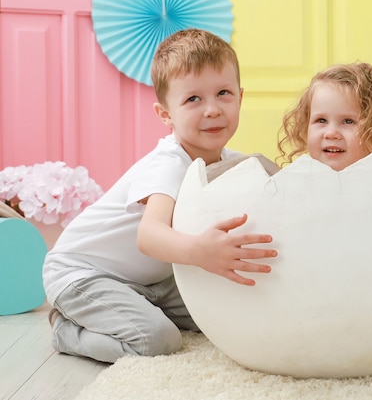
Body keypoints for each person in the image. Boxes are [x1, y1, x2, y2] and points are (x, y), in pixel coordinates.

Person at [42, 28, 277, 364]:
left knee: (222, 316)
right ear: (165, 114)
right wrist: (200, 251)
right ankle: (67, 331)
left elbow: (262, 179)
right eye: (193, 99)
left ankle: (137, 307)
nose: (212, 109)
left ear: (240, 97)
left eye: (223, 93)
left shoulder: (229, 161)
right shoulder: (168, 164)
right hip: (83, 273)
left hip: (152, 280)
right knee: (157, 339)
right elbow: (149, 236)